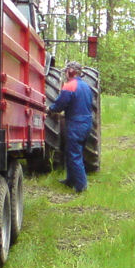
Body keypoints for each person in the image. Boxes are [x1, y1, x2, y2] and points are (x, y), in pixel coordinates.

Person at [48, 60, 93, 192]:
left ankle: (81, 186)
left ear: (71, 71)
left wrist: (50, 109)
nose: (66, 74)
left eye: (66, 71)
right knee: (71, 152)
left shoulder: (69, 86)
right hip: (86, 123)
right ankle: (70, 180)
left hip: (76, 124)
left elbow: (60, 104)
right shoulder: (86, 87)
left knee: (74, 154)